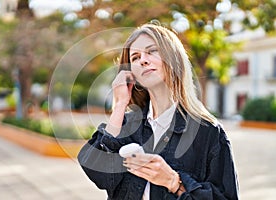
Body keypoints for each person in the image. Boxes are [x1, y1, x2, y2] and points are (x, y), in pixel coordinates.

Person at [77, 22, 239, 200]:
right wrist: (120, 104)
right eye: (135, 57)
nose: (143, 60)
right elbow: (97, 172)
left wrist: (173, 182)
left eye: (152, 51)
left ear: (173, 58)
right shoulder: (126, 125)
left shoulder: (209, 132)